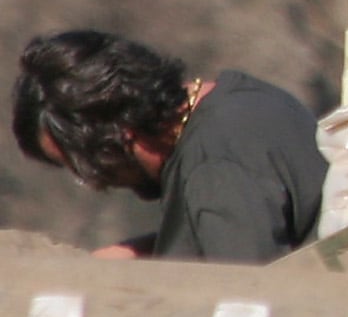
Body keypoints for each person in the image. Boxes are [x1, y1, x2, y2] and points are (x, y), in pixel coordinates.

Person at [11, 31, 327, 264]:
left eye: (84, 167)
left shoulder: (215, 167)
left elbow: (245, 305)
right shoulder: (244, 101)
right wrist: (142, 255)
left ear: (120, 136)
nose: (96, 184)